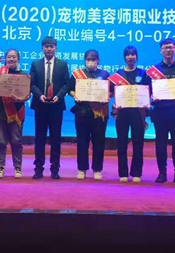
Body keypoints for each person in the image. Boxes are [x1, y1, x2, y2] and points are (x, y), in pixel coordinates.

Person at [146, 39, 175, 185]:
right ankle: (162, 173)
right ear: (160, 51)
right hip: (160, 112)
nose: (168, 50)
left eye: (171, 47)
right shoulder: (153, 70)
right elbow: (147, 91)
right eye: (165, 48)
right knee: (160, 143)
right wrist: (151, 97)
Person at [29, 36, 70, 180]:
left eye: (52, 46)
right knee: (39, 138)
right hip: (40, 105)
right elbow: (32, 83)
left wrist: (59, 96)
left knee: (55, 138)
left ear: (56, 48)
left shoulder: (62, 64)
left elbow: (66, 84)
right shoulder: (35, 64)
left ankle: (55, 169)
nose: (49, 49)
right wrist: (39, 95)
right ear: (42, 48)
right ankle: (38, 168)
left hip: (56, 106)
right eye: (46, 46)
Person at [109, 45, 150, 183]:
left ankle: (137, 173)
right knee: (121, 143)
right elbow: (111, 92)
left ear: (136, 57)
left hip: (138, 113)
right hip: (122, 113)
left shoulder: (143, 74)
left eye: (133, 54)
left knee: (138, 143)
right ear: (124, 57)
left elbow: (149, 92)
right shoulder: (118, 74)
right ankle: (123, 173)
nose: (130, 57)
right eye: (128, 54)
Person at [69, 49, 110, 181]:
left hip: (99, 114)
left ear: (98, 60)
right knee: (82, 142)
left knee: (99, 142)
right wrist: (75, 95)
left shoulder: (104, 74)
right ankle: (82, 169)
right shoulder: (77, 74)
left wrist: (106, 96)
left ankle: (97, 169)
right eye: (88, 59)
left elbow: (110, 91)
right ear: (84, 60)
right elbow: (70, 89)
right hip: (82, 112)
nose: (91, 62)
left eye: (93, 59)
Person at [0, 49, 29, 179]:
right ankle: (0, 168)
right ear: (5, 59)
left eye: (14, 57)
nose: (11, 59)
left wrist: (20, 99)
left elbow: (27, 95)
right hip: (0, 112)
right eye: (9, 57)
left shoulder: (24, 75)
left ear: (18, 59)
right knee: (0, 141)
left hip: (16, 112)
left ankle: (17, 168)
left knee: (16, 141)